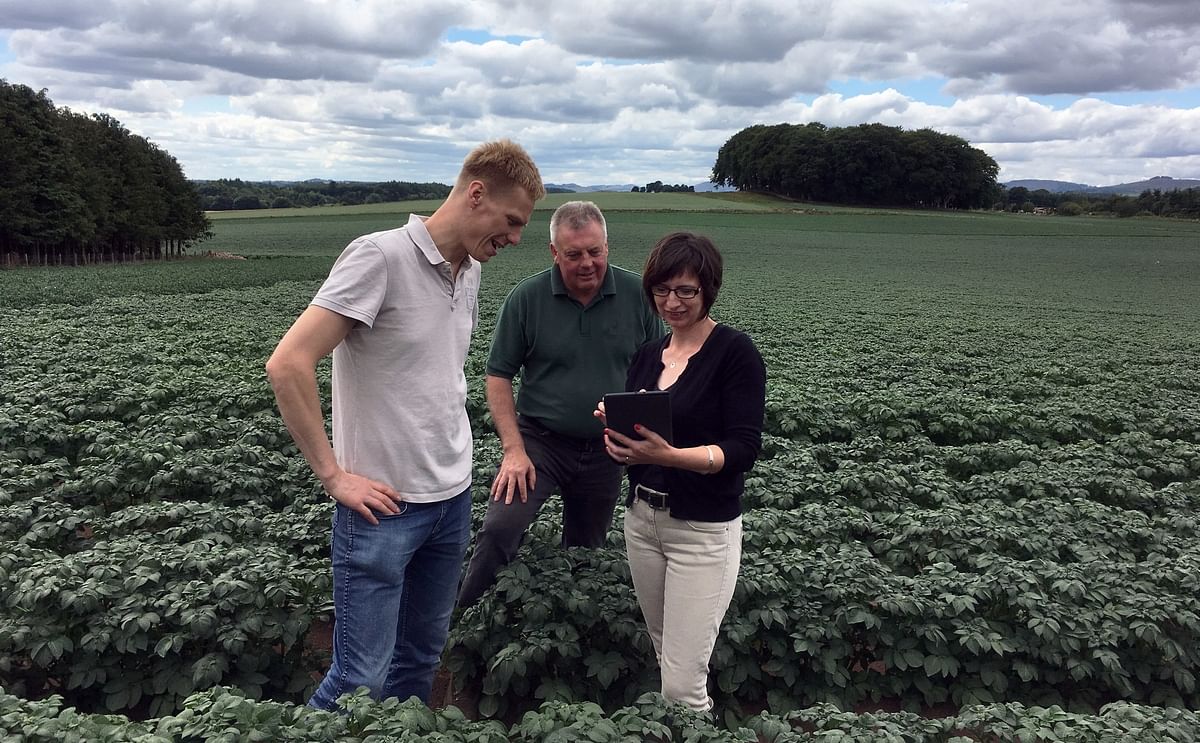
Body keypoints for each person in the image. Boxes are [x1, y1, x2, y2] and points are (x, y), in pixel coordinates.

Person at [265, 140, 545, 710]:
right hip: (382, 510)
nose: (516, 238)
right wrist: (334, 476)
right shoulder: (379, 257)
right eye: (512, 221)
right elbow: (288, 363)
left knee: (420, 658)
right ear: (475, 195)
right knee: (358, 678)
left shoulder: (468, 270)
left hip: (451, 499)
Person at [456, 200, 665, 608]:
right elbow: (498, 375)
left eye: (595, 251)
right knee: (501, 528)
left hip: (607, 447)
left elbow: (655, 367)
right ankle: (460, 622)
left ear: (607, 246)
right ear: (554, 252)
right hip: (540, 444)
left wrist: (639, 427)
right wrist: (513, 451)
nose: (587, 263)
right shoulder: (528, 298)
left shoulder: (637, 296)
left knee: (586, 550)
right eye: (574, 254)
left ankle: (571, 630)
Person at [597, 231, 766, 713]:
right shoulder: (649, 355)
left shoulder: (734, 353)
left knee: (680, 685)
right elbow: (634, 448)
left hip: (702, 530)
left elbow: (742, 448)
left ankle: (692, 723)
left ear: (708, 289)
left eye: (685, 290)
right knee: (665, 650)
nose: (672, 302)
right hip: (643, 523)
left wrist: (668, 455)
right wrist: (618, 436)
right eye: (662, 290)